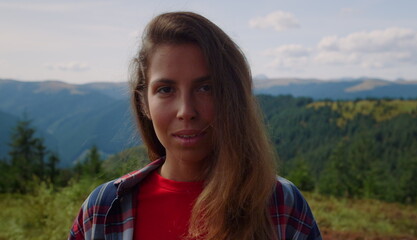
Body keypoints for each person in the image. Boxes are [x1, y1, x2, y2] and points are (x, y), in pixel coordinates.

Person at [68, 11, 322, 240]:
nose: (186, 111)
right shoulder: (103, 210)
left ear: (232, 98)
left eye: (206, 88)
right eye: (166, 89)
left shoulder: (282, 204)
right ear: (143, 103)